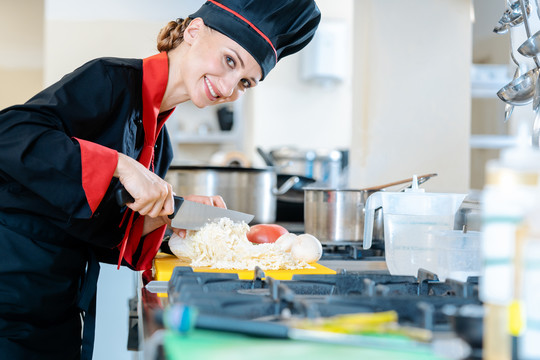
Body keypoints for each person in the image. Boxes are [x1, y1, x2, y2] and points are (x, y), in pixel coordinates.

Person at [0, 0, 320, 359]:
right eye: (230, 61)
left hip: (56, 300)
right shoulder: (109, 80)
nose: (230, 87)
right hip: (11, 287)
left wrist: (167, 219)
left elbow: (96, 227)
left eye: (245, 81)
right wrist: (122, 165)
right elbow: (9, 134)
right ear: (193, 32)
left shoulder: (160, 144)